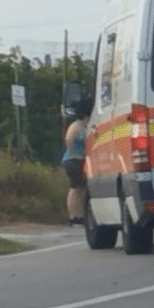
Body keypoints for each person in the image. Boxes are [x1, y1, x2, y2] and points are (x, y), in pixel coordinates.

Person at [63, 96, 94, 225]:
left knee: (81, 189)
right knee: (76, 188)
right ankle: (73, 216)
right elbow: (68, 140)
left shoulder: (84, 126)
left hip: (79, 159)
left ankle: (78, 215)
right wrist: (76, 153)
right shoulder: (76, 126)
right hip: (73, 160)